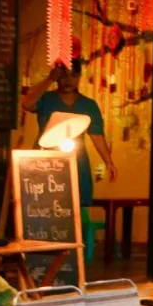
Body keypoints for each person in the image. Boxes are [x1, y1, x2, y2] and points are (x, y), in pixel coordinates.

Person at [28, 63, 117, 219]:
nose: (68, 80)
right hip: (44, 161)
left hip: (77, 162)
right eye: (63, 75)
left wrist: (108, 161)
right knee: (42, 208)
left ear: (79, 78)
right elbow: (27, 103)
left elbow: (96, 135)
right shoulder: (46, 99)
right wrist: (49, 79)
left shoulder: (88, 105)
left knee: (76, 210)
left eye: (73, 75)